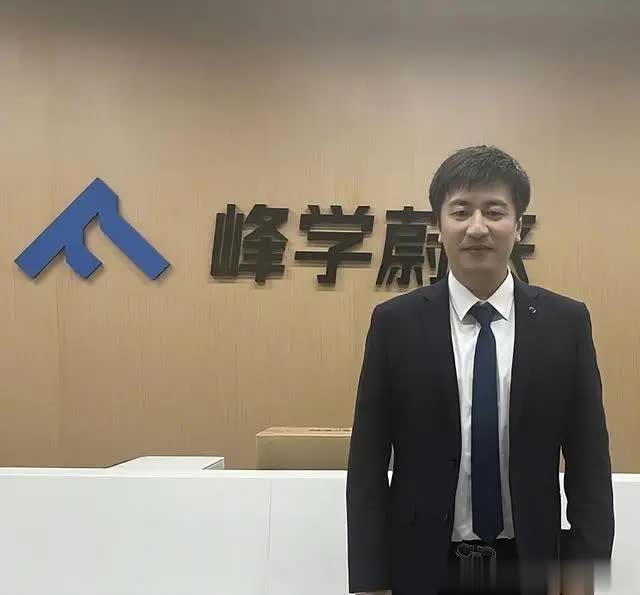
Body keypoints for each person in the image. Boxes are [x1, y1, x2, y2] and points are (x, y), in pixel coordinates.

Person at [346, 145, 614, 595]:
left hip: (531, 566)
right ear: (438, 225)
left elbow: (590, 464)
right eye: (460, 211)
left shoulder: (565, 323)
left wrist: (585, 577)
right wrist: (370, 582)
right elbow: (367, 465)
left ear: (519, 225)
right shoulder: (395, 324)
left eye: (494, 212)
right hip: (423, 568)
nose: (477, 228)